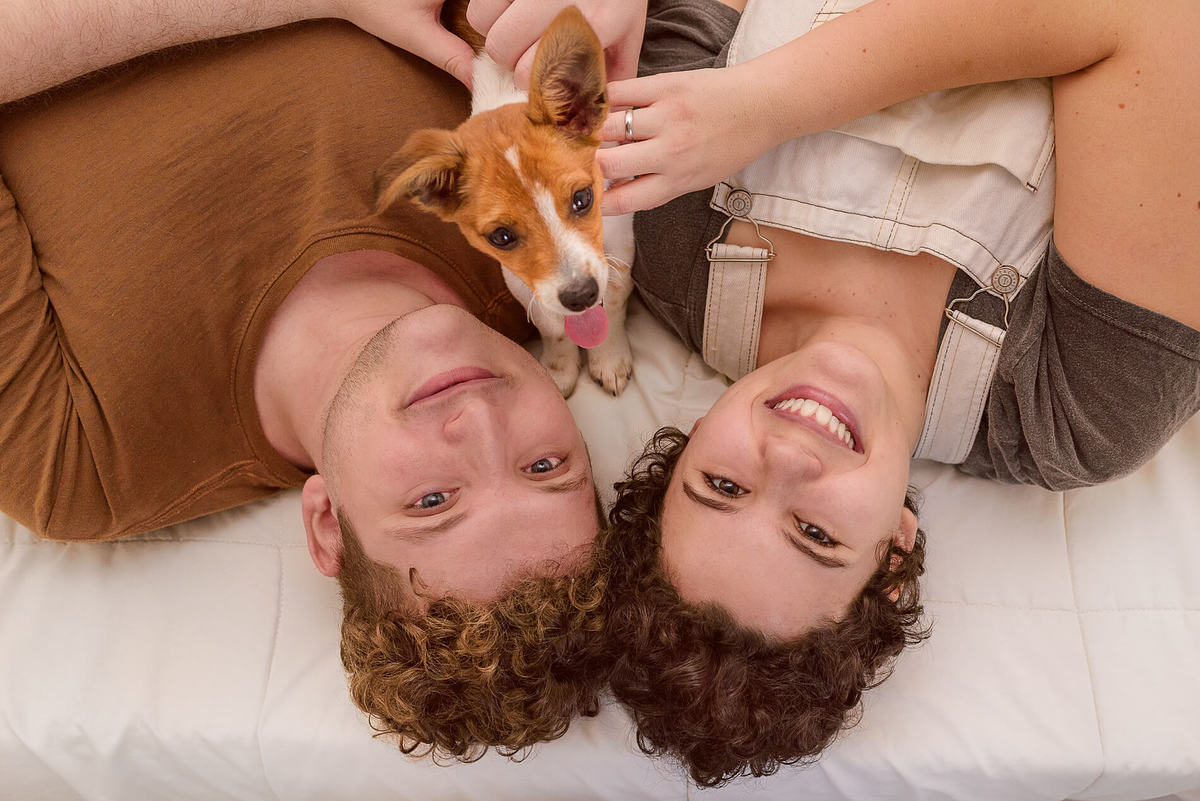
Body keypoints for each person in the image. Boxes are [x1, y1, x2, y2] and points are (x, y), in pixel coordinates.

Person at [0, 0, 647, 762]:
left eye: (434, 500)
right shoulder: (548, 226)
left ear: (328, 524)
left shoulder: (82, 462)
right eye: (544, 466)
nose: (478, 421)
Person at [587, 0, 1200, 787]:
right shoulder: (1076, 412)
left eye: (725, 484)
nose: (790, 458)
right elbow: (1153, 18)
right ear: (896, 555)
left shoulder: (671, 243)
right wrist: (766, 105)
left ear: (682, 456)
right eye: (814, 531)